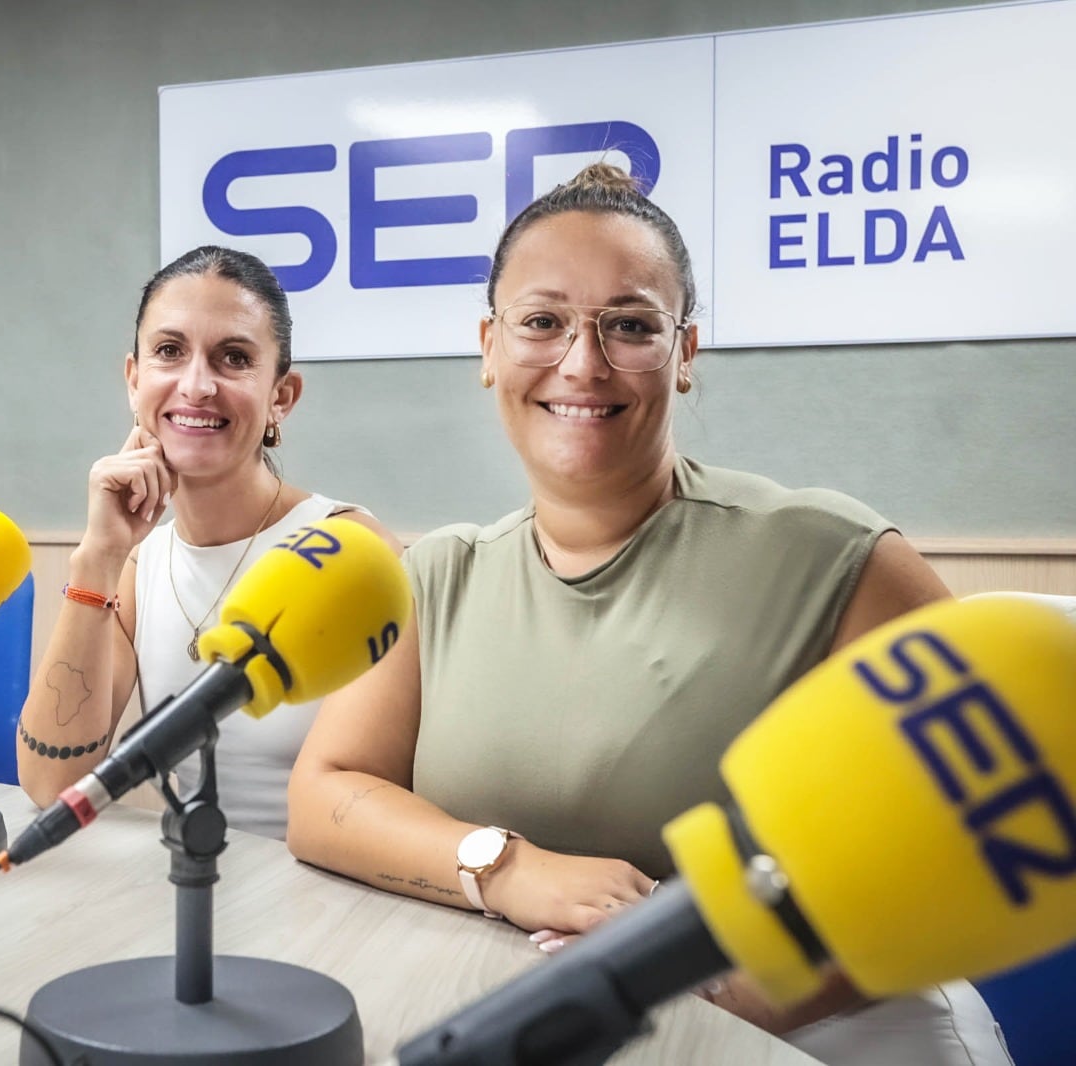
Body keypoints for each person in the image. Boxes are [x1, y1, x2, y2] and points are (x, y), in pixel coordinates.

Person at [286, 165, 1009, 1064]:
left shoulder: (835, 559)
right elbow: (326, 796)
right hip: (554, 1015)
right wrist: (509, 870)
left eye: (629, 325)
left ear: (687, 353)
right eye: (542, 321)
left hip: (823, 1028)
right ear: (487, 347)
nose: (581, 362)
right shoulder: (437, 575)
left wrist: (719, 987)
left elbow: (974, 842)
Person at [16, 246, 398, 839]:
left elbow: (369, 798)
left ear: (281, 396)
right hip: (184, 887)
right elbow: (49, 783)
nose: (196, 386)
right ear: (134, 378)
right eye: (169, 352)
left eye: (234, 358)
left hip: (328, 896)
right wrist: (97, 558)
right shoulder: (137, 565)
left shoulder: (348, 548)